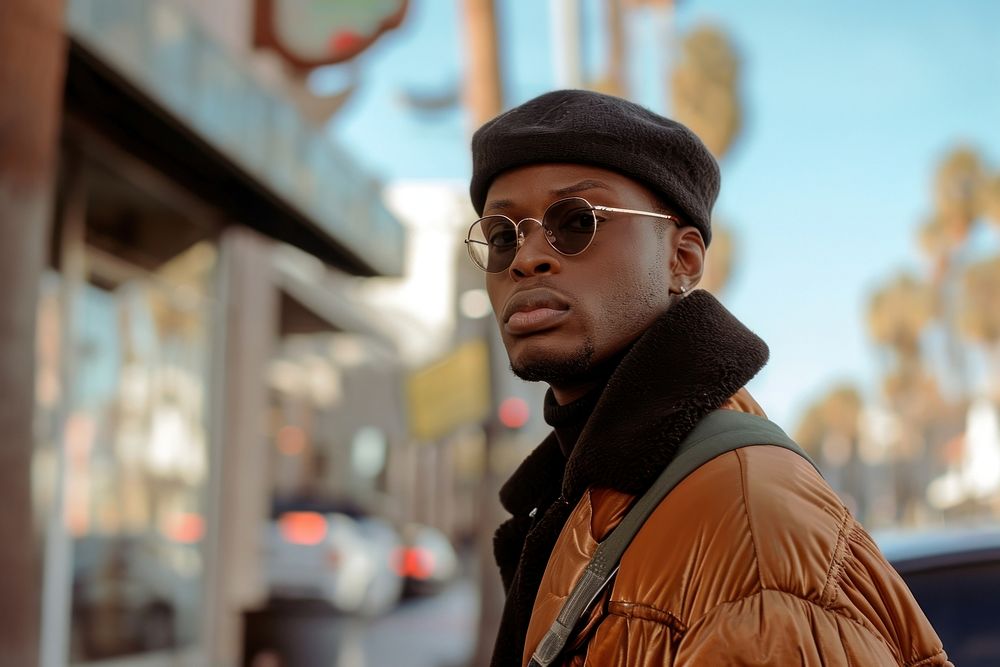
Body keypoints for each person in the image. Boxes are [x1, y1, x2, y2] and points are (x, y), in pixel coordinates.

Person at [465, 89, 950, 667]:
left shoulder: (747, 526)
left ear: (683, 261)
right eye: (501, 236)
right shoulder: (585, 496)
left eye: (576, 221)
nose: (526, 258)